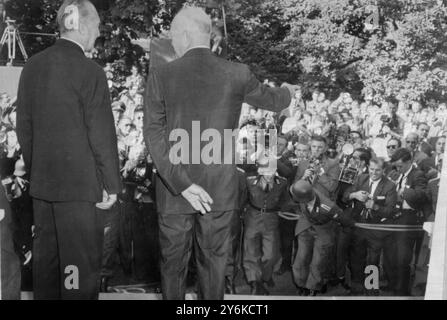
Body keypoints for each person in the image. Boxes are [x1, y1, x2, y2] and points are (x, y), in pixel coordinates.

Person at [143, 7, 297, 300]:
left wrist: (183, 184)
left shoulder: (161, 74)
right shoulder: (237, 73)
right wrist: (288, 92)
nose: (173, 43)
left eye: (173, 36)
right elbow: (274, 100)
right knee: (214, 267)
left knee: (173, 266)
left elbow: (154, 134)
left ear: (185, 34)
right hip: (219, 190)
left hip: (174, 189)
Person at [16, 0, 121, 299]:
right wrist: (111, 184)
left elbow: (24, 129)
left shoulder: (33, 66)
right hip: (79, 194)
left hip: (43, 190)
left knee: (47, 272)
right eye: (98, 26)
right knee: (75, 273)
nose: (98, 33)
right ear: (83, 25)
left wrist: (39, 172)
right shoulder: (91, 72)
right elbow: (101, 134)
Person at [344, 158, 397, 295]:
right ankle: (357, 287)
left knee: (373, 260)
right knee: (356, 258)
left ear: (384, 170)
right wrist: (354, 195)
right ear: (368, 167)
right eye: (371, 169)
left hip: (376, 228)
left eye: (377, 170)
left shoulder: (390, 185)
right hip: (359, 226)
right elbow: (344, 196)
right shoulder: (361, 178)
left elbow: (391, 211)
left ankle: (371, 288)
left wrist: (375, 206)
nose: (373, 173)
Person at [289, 180, 347, 296]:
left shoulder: (328, 206)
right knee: (301, 259)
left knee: (318, 262)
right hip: (306, 225)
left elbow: (343, 219)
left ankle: (313, 288)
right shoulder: (303, 191)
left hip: (324, 229)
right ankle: (301, 284)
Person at [388, 148, 428, 296]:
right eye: (396, 166)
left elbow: (421, 195)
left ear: (409, 161)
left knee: (402, 258)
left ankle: (401, 291)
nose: (398, 169)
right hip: (392, 217)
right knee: (390, 255)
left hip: (408, 219)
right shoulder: (394, 174)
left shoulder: (418, 175)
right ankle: (392, 284)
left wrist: (403, 191)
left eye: (400, 166)